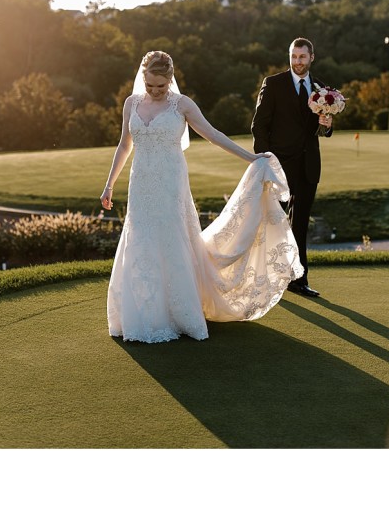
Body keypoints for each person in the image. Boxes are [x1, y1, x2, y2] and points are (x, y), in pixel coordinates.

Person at [101, 51, 303, 343]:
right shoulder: (131, 104)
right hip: (141, 184)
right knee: (141, 242)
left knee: (172, 241)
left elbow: (212, 134)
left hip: (171, 185)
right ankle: (145, 314)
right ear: (142, 79)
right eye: (150, 86)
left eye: (161, 85)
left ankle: (180, 314)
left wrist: (250, 158)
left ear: (170, 79)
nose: (155, 91)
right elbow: (124, 145)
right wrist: (109, 185)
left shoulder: (181, 105)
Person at [251, 37, 333, 298]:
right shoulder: (273, 84)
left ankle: (299, 279)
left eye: (302, 57)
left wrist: (327, 124)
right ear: (290, 57)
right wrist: (265, 161)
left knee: (300, 226)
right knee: (271, 224)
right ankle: (262, 279)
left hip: (309, 166)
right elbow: (259, 126)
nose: (298, 61)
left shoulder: (321, 88)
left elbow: (322, 130)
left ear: (311, 57)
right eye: (294, 56)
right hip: (279, 166)